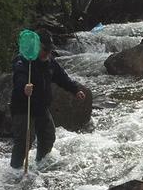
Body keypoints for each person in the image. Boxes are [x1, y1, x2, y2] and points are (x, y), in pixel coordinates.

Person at [10, 31, 87, 171]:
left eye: (50, 49)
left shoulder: (50, 62)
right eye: (45, 49)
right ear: (37, 46)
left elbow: (62, 78)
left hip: (41, 107)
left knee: (48, 137)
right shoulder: (23, 60)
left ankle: (41, 165)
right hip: (23, 108)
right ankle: (15, 171)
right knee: (24, 141)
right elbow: (19, 78)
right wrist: (24, 88)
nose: (48, 53)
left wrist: (75, 90)